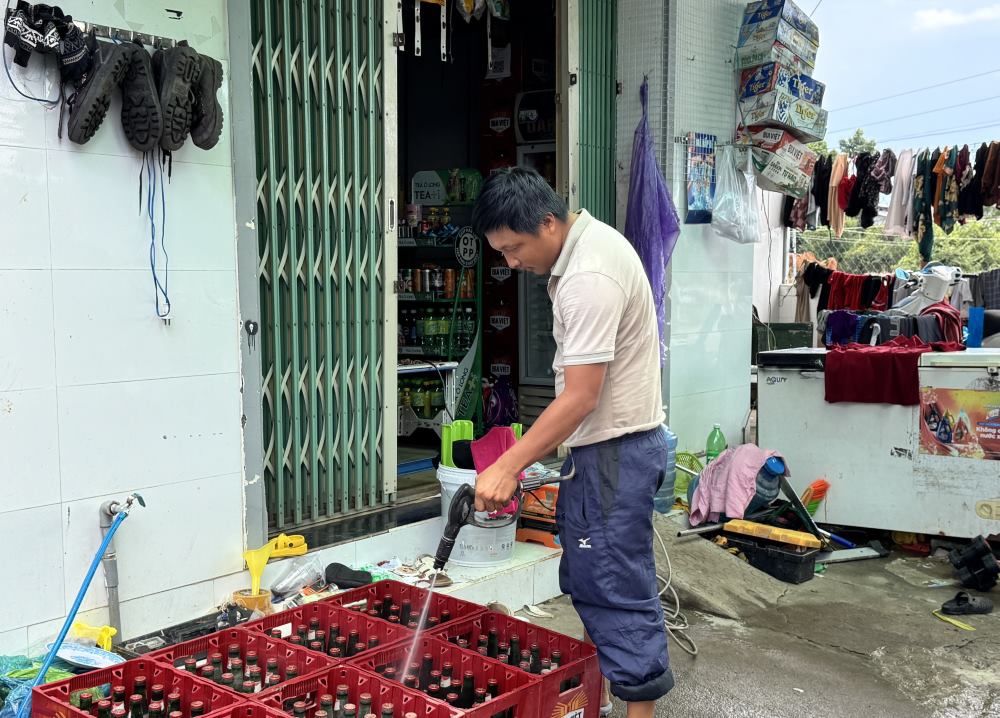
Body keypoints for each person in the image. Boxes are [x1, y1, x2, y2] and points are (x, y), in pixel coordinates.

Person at [471, 168, 673, 718]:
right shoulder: (588, 252)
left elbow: (582, 395)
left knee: (613, 584)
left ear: (547, 221)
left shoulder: (587, 274)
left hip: (616, 453)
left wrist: (509, 464)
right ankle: (602, 702)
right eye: (501, 253)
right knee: (592, 576)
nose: (511, 263)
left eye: (514, 248)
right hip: (608, 453)